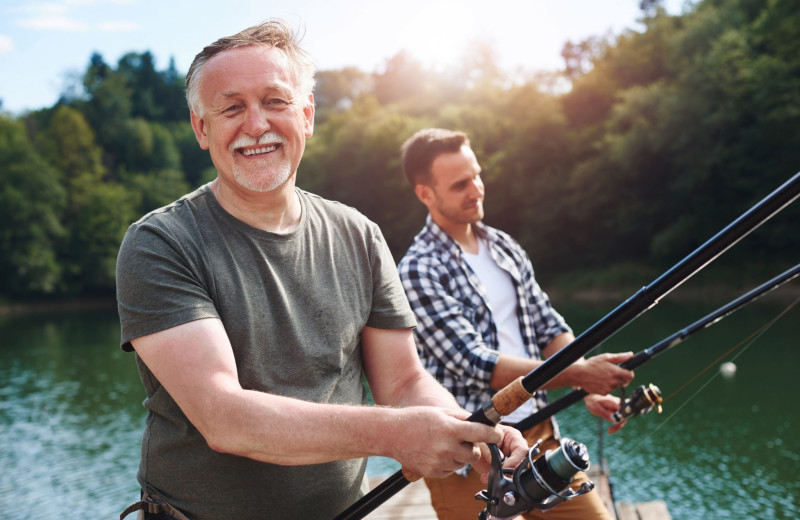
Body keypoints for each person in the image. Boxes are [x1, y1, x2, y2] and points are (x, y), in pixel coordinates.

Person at [115, 22, 527, 520]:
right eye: (231, 107)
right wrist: (397, 434)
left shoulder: (359, 235)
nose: (256, 124)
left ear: (306, 115)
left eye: (275, 101)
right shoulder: (160, 244)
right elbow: (225, 419)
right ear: (202, 128)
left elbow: (403, 384)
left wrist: (472, 430)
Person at [397, 128, 637, 520]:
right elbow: (478, 364)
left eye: (476, 175)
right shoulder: (418, 270)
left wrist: (585, 383)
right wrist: (581, 373)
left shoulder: (505, 247)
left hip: (539, 435)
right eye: (460, 185)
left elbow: (548, 326)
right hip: (468, 452)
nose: (476, 189)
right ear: (426, 194)